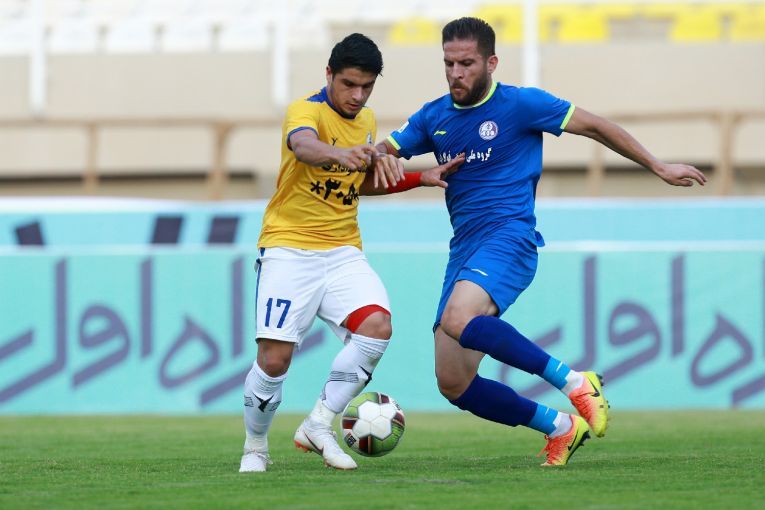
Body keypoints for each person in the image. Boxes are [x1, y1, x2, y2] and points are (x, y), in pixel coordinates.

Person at [374, 17, 707, 467]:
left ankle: (576, 383)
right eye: (449, 63)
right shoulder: (433, 116)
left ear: (491, 62)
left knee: (458, 318)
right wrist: (367, 156)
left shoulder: (522, 104)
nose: (456, 73)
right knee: (453, 382)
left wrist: (658, 166)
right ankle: (560, 427)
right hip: (465, 249)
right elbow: (382, 154)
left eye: (466, 63)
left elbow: (595, 126)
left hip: (509, 237)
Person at [239, 33, 462, 473]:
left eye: (367, 87)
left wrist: (419, 177)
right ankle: (255, 447)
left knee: (377, 326)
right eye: (349, 84)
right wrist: (345, 154)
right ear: (329, 75)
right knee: (274, 360)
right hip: (289, 247)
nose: (358, 96)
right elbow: (305, 148)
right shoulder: (305, 112)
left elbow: (358, 183)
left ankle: (319, 423)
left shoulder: (367, 120)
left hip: (342, 250)